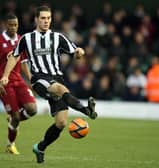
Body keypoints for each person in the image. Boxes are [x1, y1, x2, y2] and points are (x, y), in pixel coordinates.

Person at [0, 6, 97, 163]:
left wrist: (80, 52)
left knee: (61, 123)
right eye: (43, 18)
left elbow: (75, 52)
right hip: (39, 79)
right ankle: (87, 110)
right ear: (37, 19)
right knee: (60, 89)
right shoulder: (26, 38)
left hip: (57, 78)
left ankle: (40, 147)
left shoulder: (58, 37)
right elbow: (14, 56)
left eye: (48, 18)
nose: (46, 21)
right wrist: (5, 76)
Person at [0, 14, 37, 154]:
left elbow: (23, 62)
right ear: (5, 25)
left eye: (16, 25)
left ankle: (12, 122)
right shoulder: (0, 40)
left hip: (18, 81)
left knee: (32, 109)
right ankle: (10, 144)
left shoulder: (21, 40)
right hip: (4, 83)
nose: (13, 28)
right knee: (16, 116)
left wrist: (31, 80)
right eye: (11, 25)